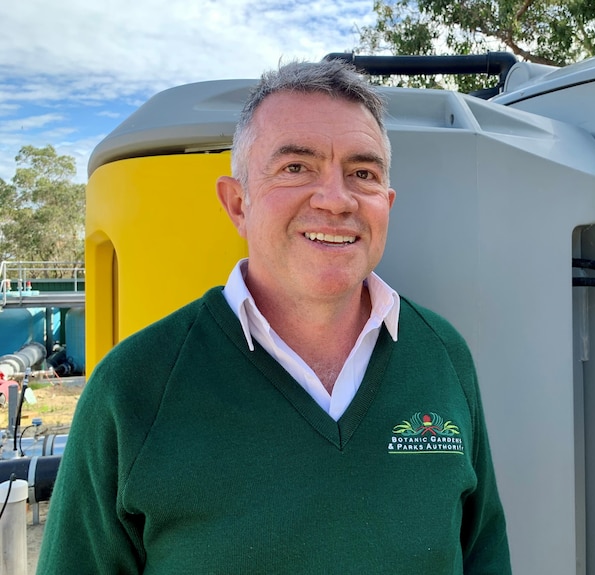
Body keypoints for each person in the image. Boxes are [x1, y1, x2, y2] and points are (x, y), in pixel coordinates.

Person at [37, 60, 511, 574]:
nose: (336, 199)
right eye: (296, 167)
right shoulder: (134, 388)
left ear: (386, 203)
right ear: (237, 203)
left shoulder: (442, 354)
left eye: (363, 174)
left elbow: (484, 553)